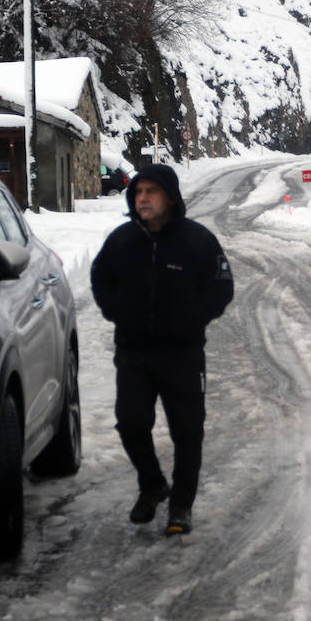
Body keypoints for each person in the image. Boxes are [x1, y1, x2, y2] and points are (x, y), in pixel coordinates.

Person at [91, 163, 234, 535]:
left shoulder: (197, 241)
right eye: (138, 192)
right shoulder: (121, 241)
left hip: (182, 355)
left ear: (169, 197)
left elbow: (221, 286)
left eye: (151, 192)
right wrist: (116, 311)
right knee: (131, 423)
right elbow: (100, 277)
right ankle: (152, 484)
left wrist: (193, 320)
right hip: (134, 353)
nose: (143, 199)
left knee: (187, 431)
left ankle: (181, 505)